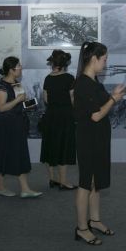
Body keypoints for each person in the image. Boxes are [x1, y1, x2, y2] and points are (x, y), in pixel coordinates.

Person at [73, 42, 126, 245]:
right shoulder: (83, 84)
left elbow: (101, 104)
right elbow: (95, 115)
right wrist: (113, 99)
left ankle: (94, 220)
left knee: (96, 181)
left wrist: (114, 96)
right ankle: (81, 228)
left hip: (98, 138)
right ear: (94, 59)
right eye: (104, 59)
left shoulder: (93, 81)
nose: (106, 63)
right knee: (86, 183)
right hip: (88, 139)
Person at [0, 56, 42, 198]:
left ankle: (25, 189)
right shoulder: (1, 86)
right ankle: (1, 187)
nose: (21, 68)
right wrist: (18, 99)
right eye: (18, 66)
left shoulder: (17, 83)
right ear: (11, 70)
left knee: (20, 154)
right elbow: (2, 108)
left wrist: (31, 103)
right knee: (2, 154)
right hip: (6, 125)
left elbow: (20, 105)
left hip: (18, 123)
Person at [39, 50, 77, 190]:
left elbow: (46, 99)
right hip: (65, 116)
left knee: (50, 146)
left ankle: (52, 179)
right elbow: (73, 99)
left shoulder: (48, 78)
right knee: (64, 147)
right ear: (65, 64)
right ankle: (63, 181)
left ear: (53, 63)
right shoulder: (69, 78)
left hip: (51, 116)